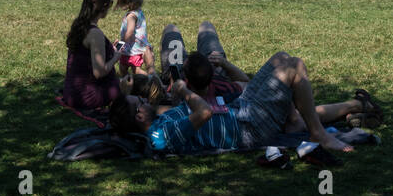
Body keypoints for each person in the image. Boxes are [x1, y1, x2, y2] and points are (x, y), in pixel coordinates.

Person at [110, 52, 374, 159]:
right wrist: (183, 90)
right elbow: (204, 112)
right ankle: (319, 133)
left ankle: (354, 107)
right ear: (138, 115)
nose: (145, 102)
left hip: (241, 110)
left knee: (281, 58)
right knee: (295, 66)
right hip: (249, 127)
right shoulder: (159, 136)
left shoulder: (159, 124)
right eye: (139, 104)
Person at [63, 0, 125, 111]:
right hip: (87, 96)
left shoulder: (79, 26)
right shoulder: (95, 33)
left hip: (70, 92)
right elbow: (99, 73)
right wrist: (116, 57)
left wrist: (109, 52)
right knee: (128, 83)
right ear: (104, 6)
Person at [114, 0, 153, 74]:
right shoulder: (138, 11)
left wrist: (121, 42)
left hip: (132, 49)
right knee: (123, 67)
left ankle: (152, 79)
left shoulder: (131, 16)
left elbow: (130, 31)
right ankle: (129, 81)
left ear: (127, 2)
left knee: (135, 70)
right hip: (135, 47)